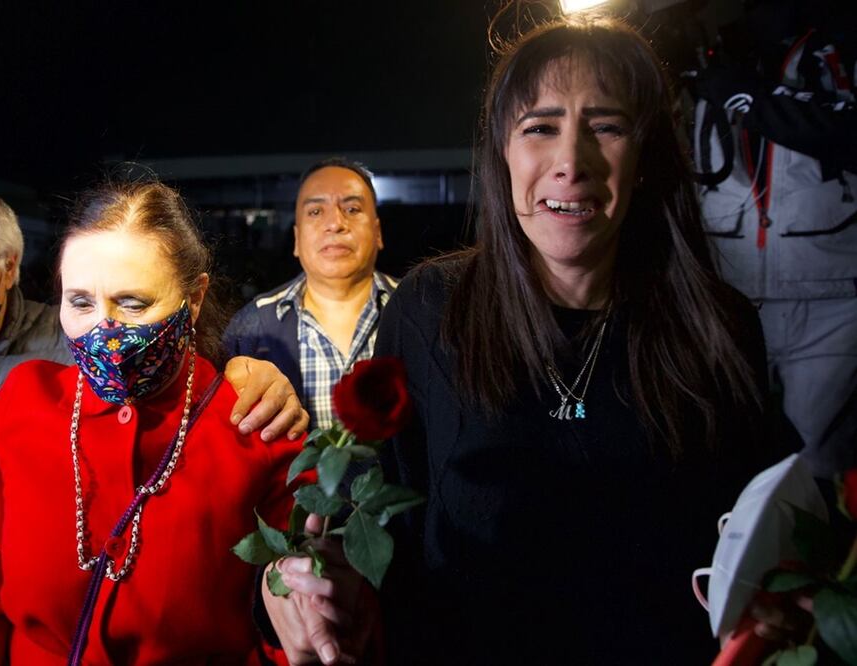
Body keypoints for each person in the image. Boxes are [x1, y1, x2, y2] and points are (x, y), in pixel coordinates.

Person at [268, 17, 791, 665]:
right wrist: (300, 580)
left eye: (606, 126)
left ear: (647, 157)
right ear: (501, 153)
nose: (570, 163)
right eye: (539, 127)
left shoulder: (717, 324)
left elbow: (772, 537)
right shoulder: (429, 310)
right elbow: (372, 515)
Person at [0, 176, 309, 666]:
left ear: (193, 299)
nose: (104, 330)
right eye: (81, 302)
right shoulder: (26, 399)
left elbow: (297, 617)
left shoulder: (255, 423)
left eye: (133, 303)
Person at [691, 0, 857, 481]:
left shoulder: (843, 41)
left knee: (819, 470)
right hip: (725, 294)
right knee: (720, 461)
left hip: (832, 300)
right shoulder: (716, 47)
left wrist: (752, 100)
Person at [224, 158, 396, 428]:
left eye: (352, 209)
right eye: (316, 212)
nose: (336, 223)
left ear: (378, 232)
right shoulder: (251, 327)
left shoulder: (419, 311)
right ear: (296, 239)